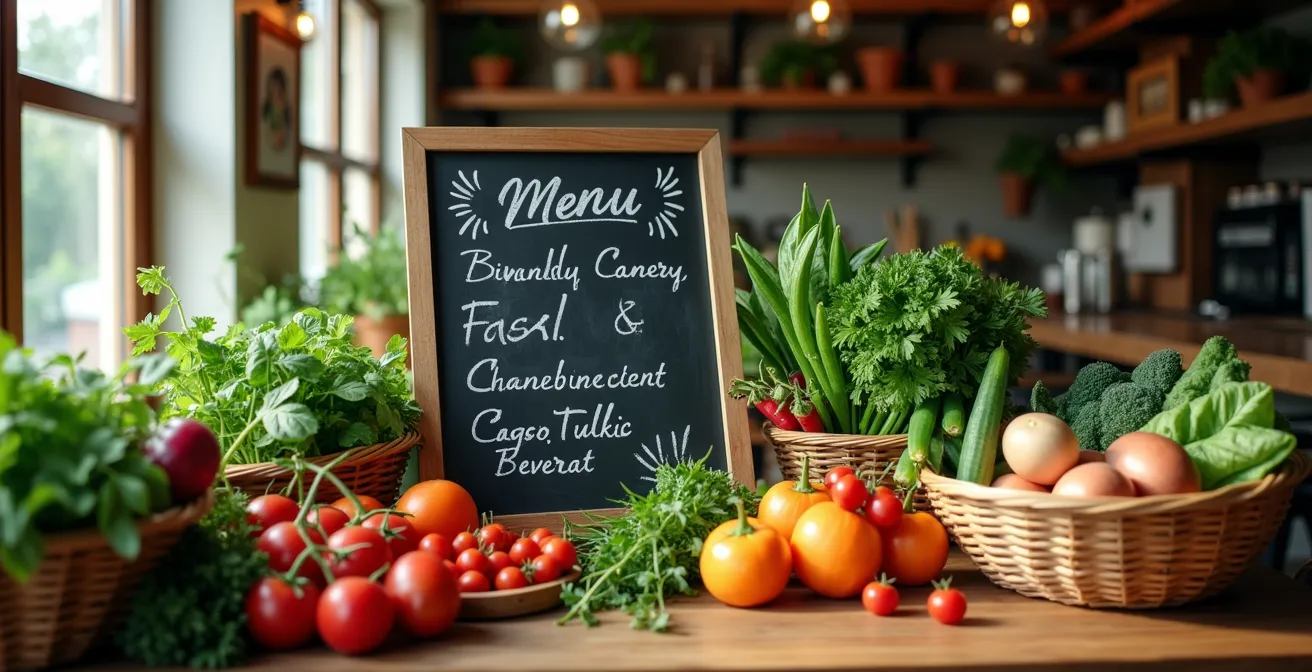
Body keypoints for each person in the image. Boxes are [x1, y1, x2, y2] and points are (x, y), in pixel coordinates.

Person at [262, 66, 292, 151]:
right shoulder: (267, 107)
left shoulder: (285, 107)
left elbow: (287, 126)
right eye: (273, 86)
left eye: (278, 86)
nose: (275, 89)